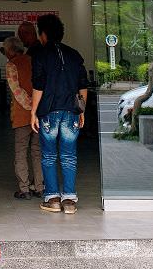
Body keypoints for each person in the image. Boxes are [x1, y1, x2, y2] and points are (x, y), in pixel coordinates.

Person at [31, 13, 88, 215]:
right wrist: (81, 111)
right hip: (71, 112)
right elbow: (83, 86)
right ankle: (70, 201)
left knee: (48, 156)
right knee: (69, 156)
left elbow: (38, 86)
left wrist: (33, 112)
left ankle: (53, 199)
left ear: (44, 34)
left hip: (49, 111)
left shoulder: (40, 54)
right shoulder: (74, 55)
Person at [2, 36, 43, 199]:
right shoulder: (34, 61)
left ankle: (24, 189)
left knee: (20, 152)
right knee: (37, 151)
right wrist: (37, 108)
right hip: (40, 114)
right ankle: (39, 187)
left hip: (22, 116)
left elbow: (16, 90)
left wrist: (30, 108)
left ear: (10, 50)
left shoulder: (11, 65)